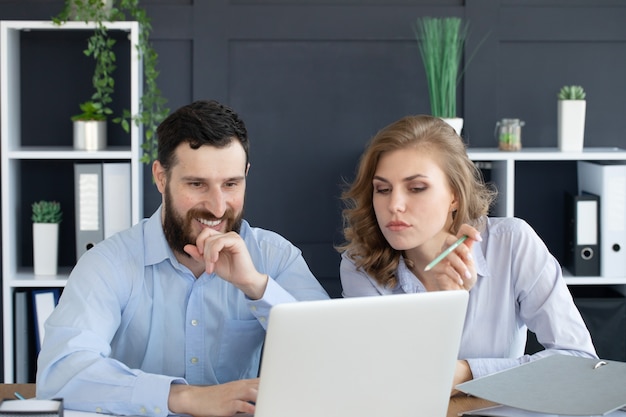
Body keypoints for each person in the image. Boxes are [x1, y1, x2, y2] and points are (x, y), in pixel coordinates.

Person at [36, 100, 330, 417]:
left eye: (231, 184)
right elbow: (60, 375)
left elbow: (333, 358)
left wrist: (256, 287)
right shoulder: (108, 263)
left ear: (246, 175)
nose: (218, 208)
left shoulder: (275, 257)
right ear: (161, 178)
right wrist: (184, 398)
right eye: (197, 184)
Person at [337, 114, 597, 395]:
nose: (395, 205)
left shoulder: (511, 243)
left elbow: (579, 362)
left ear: (455, 195)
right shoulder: (359, 265)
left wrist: (463, 373)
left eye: (416, 188)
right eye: (383, 189)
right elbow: (385, 390)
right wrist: (439, 303)